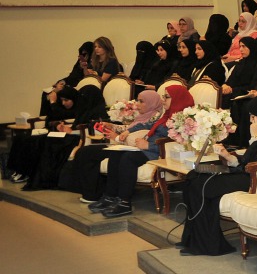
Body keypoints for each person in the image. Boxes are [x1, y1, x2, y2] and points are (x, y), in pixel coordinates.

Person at [178, 95, 257, 256]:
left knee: (204, 185)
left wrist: (255, 137)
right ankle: (192, 239)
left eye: (254, 116)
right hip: (249, 173)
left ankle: (205, 244)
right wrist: (229, 157)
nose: (251, 121)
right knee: (193, 177)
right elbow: (249, 159)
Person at [92, 84, 196, 218]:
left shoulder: (185, 120)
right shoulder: (167, 116)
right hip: (150, 147)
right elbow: (147, 125)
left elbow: (178, 143)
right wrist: (128, 130)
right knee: (116, 153)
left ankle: (124, 203)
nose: (163, 99)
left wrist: (149, 146)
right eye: (163, 96)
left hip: (161, 152)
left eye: (167, 97)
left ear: (177, 98)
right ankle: (110, 197)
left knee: (128, 159)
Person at [70, 90, 163, 201]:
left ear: (151, 102)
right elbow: (127, 128)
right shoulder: (142, 116)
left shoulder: (155, 118)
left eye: (141, 101)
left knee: (88, 152)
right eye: (137, 100)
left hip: (129, 147)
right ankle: (91, 192)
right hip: (120, 144)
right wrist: (111, 126)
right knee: (84, 151)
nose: (137, 104)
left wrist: (117, 137)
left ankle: (95, 194)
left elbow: (141, 135)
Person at [8, 85, 106, 190]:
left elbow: (92, 130)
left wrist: (72, 130)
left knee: (48, 143)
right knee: (39, 140)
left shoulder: (99, 113)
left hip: (77, 139)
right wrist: (65, 128)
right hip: (70, 136)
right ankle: (26, 172)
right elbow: (74, 123)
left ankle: (40, 177)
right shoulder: (84, 109)